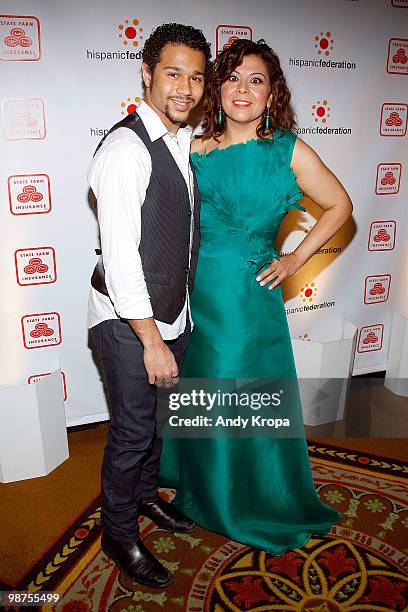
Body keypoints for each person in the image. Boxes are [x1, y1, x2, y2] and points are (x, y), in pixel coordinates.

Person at [160, 38, 352, 554]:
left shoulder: (288, 149)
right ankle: (200, 483)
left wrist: (294, 259)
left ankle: (241, 497)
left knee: (237, 392)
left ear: (272, 93)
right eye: (233, 78)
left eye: (257, 80)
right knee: (202, 391)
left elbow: (339, 205)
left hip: (247, 299)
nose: (243, 89)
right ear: (216, 87)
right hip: (194, 293)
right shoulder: (192, 148)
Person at [88, 23, 211, 588]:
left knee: (158, 427)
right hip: (129, 323)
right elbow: (120, 263)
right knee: (134, 433)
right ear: (146, 73)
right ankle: (118, 531)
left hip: (168, 314)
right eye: (172, 73)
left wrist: (174, 324)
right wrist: (153, 341)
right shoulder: (124, 150)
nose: (184, 87)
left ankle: (145, 500)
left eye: (195, 75)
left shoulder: (176, 140)